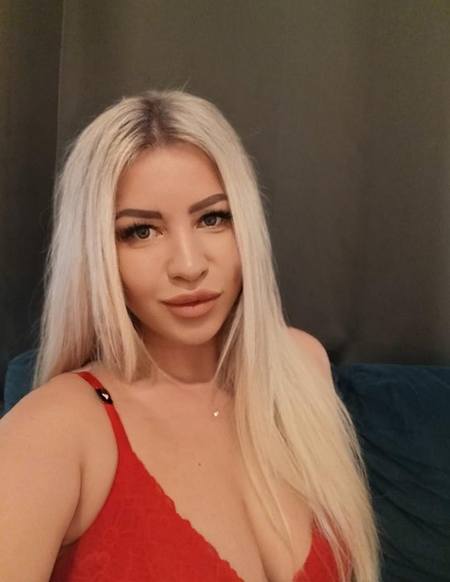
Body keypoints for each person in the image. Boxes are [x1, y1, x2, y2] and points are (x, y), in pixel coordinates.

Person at [0, 90, 379, 581]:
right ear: (96, 253)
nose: (189, 264)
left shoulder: (301, 364)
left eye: (212, 218)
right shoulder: (56, 429)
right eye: (140, 231)